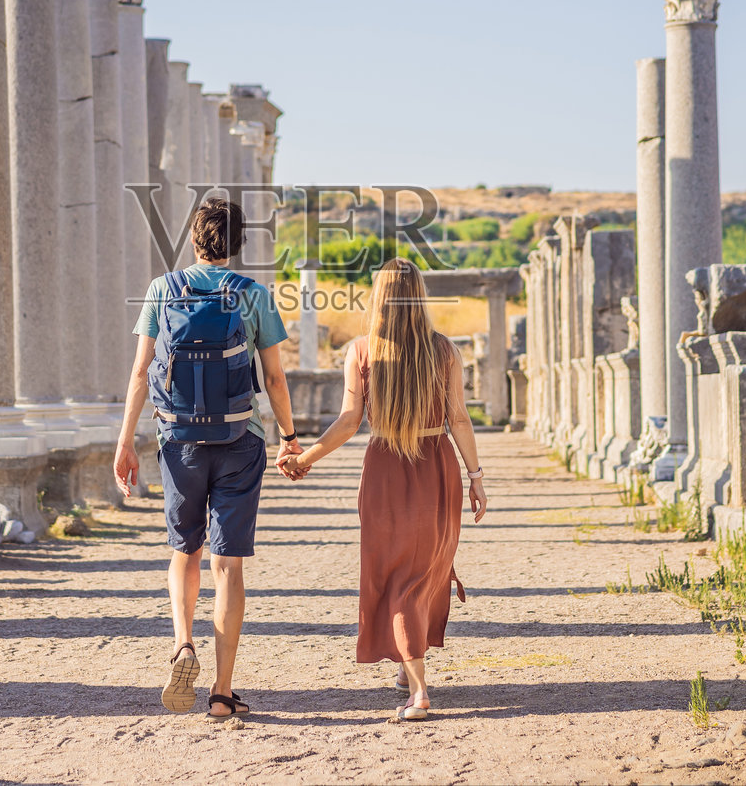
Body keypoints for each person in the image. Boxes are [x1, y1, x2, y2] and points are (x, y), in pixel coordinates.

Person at [113, 197, 300, 719]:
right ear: (238, 243)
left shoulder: (161, 290)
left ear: (193, 239)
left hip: (179, 440)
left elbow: (139, 372)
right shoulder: (254, 294)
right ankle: (222, 691)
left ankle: (182, 645)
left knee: (184, 551)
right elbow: (276, 379)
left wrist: (125, 441)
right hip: (240, 438)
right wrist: (289, 435)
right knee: (229, 565)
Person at [278, 257, 487, 721]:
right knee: (423, 571)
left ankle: (417, 689)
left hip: (384, 472)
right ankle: (411, 669)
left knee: (399, 574)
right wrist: (474, 477)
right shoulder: (445, 350)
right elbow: (458, 419)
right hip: (437, 468)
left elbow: (350, 421)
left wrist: (305, 459)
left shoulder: (362, 350)